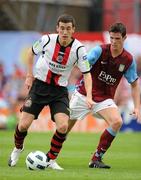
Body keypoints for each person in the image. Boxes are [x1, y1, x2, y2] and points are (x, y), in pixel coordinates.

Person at [8, 14, 93, 170]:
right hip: (39, 86)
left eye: (68, 28)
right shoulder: (47, 40)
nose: (65, 32)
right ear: (57, 29)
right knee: (23, 125)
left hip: (59, 91)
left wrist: (89, 96)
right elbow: (30, 52)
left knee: (62, 127)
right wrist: (29, 75)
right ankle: (18, 148)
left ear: (73, 29)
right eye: (62, 28)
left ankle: (51, 159)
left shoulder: (80, 49)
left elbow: (87, 74)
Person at [67, 22, 141, 169]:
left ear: (124, 38)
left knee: (117, 122)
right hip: (83, 94)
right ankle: (50, 156)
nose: (113, 41)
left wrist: (137, 107)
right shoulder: (99, 51)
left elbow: (134, 85)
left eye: (117, 39)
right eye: (111, 38)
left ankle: (96, 159)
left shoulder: (128, 60)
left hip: (104, 99)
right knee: (63, 128)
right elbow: (82, 66)